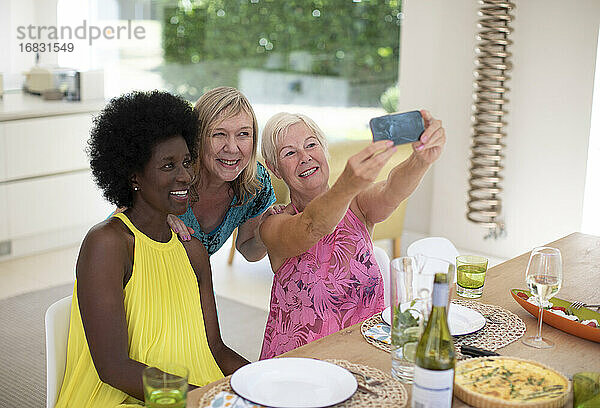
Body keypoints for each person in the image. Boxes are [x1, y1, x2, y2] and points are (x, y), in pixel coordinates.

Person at [55, 91, 248, 407]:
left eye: (186, 162)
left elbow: (215, 348)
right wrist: (201, 399)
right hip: (127, 398)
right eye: (168, 165)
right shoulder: (108, 244)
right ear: (134, 176)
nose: (185, 176)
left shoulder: (193, 252)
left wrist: (265, 382)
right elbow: (114, 369)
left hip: (198, 392)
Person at [258, 111, 446, 359]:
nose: (305, 157)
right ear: (275, 168)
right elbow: (312, 225)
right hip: (299, 367)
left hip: (365, 357)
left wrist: (421, 160)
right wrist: (347, 184)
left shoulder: (357, 204)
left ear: (324, 150)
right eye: (289, 153)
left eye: (311, 145)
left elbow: (392, 189)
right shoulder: (273, 224)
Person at [167, 87, 277, 260]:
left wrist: (265, 232)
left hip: (190, 283)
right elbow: (115, 227)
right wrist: (151, 218)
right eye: (219, 134)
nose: (232, 148)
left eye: (243, 134)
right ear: (197, 137)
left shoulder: (257, 183)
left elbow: (248, 250)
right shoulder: (169, 171)